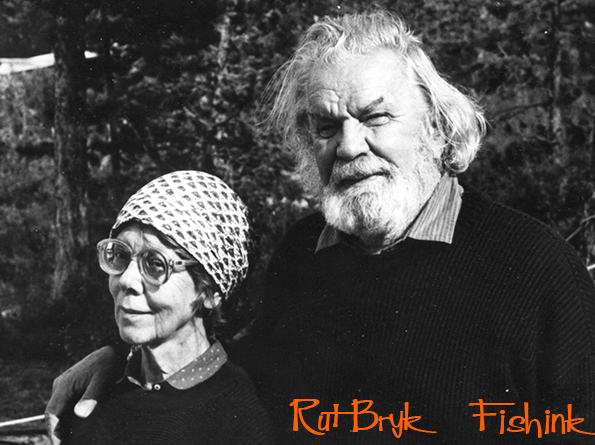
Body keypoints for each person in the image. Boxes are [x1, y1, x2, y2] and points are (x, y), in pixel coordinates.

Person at [47, 10, 595, 444]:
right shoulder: (303, 254)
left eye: (375, 116)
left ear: (435, 123)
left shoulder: (533, 268)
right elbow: (241, 370)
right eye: (327, 126)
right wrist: (124, 357)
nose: (350, 146)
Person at [57, 170, 274, 444]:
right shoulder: (94, 395)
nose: (126, 280)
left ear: (209, 292)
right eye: (120, 255)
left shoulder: (239, 417)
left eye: (155, 264)